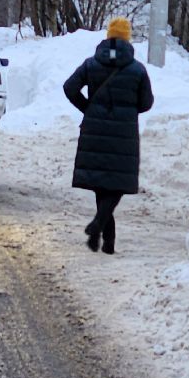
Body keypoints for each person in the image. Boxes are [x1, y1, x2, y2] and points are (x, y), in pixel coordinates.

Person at [62, 16, 154, 254]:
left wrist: (89, 108)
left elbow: (69, 87)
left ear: (108, 37)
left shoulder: (92, 63)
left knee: (102, 185)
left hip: (95, 129)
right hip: (124, 133)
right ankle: (99, 227)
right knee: (116, 185)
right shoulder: (137, 70)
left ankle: (104, 238)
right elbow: (146, 103)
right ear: (127, 38)